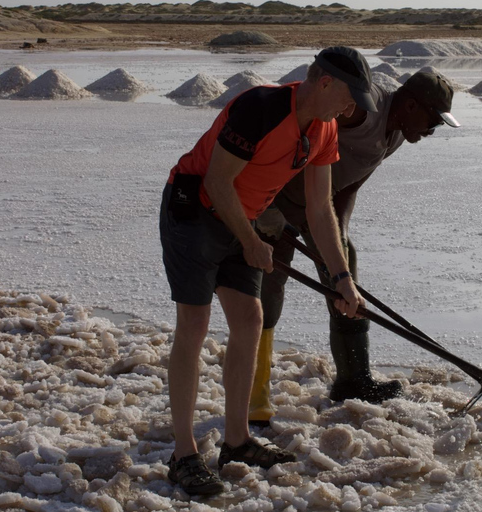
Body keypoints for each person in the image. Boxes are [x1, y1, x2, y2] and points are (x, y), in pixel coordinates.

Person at [159, 46, 375, 496]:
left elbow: (320, 209)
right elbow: (217, 182)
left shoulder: (326, 127)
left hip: (244, 217)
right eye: (349, 96)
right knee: (194, 323)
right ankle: (183, 455)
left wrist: (341, 278)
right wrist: (253, 242)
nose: (351, 108)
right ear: (324, 82)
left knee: (250, 319)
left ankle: (236, 442)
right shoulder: (259, 107)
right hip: (194, 211)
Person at [248, 71, 460, 426]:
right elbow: (299, 117)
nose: (431, 131)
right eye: (432, 121)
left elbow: (347, 187)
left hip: (316, 204)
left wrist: (339, 237)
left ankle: (353, 380)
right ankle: (254, 397)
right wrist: (264, 203)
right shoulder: (364, 110)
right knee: (270, 284)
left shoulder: (395, 136)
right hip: (273, 199)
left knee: (346, 271)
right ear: (409, 105)